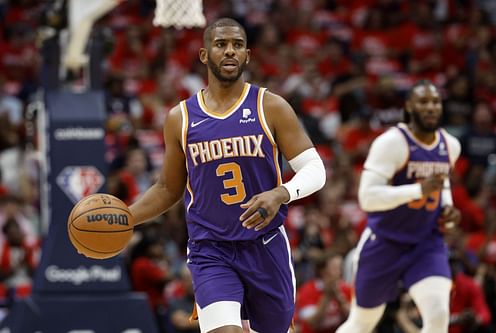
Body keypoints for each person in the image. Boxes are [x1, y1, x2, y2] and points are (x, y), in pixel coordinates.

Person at [129, 18, 326, 333]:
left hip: (265, 245)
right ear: (205, 55)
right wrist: (126, 218)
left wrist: (281, 193)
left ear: (247, 55)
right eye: (221, 44)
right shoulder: (180, 118)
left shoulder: (270, 107)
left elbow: (315, 169)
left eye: (237, 45)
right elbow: (167, 188)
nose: (229, 51)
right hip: (211, 249)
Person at [337, 80, 462, 333]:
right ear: (409, 107)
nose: (430, 107)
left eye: (435, 102)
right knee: (362, 323)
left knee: (438, 315)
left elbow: (442, 184)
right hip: (385, 242)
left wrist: (447, 207)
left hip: (426, 243)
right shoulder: (391, 143)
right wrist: (418, 190)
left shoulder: (450, 145)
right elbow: (367, 198)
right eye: (423, 102)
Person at [295, 253, 351, 333]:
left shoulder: (345, 288)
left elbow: (353, 318)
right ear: (323, 271)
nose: (339, 272)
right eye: (335, 268)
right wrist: (326, 297)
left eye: (340, 268)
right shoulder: (308, 290)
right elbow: (312, 323)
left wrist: (339, 298)